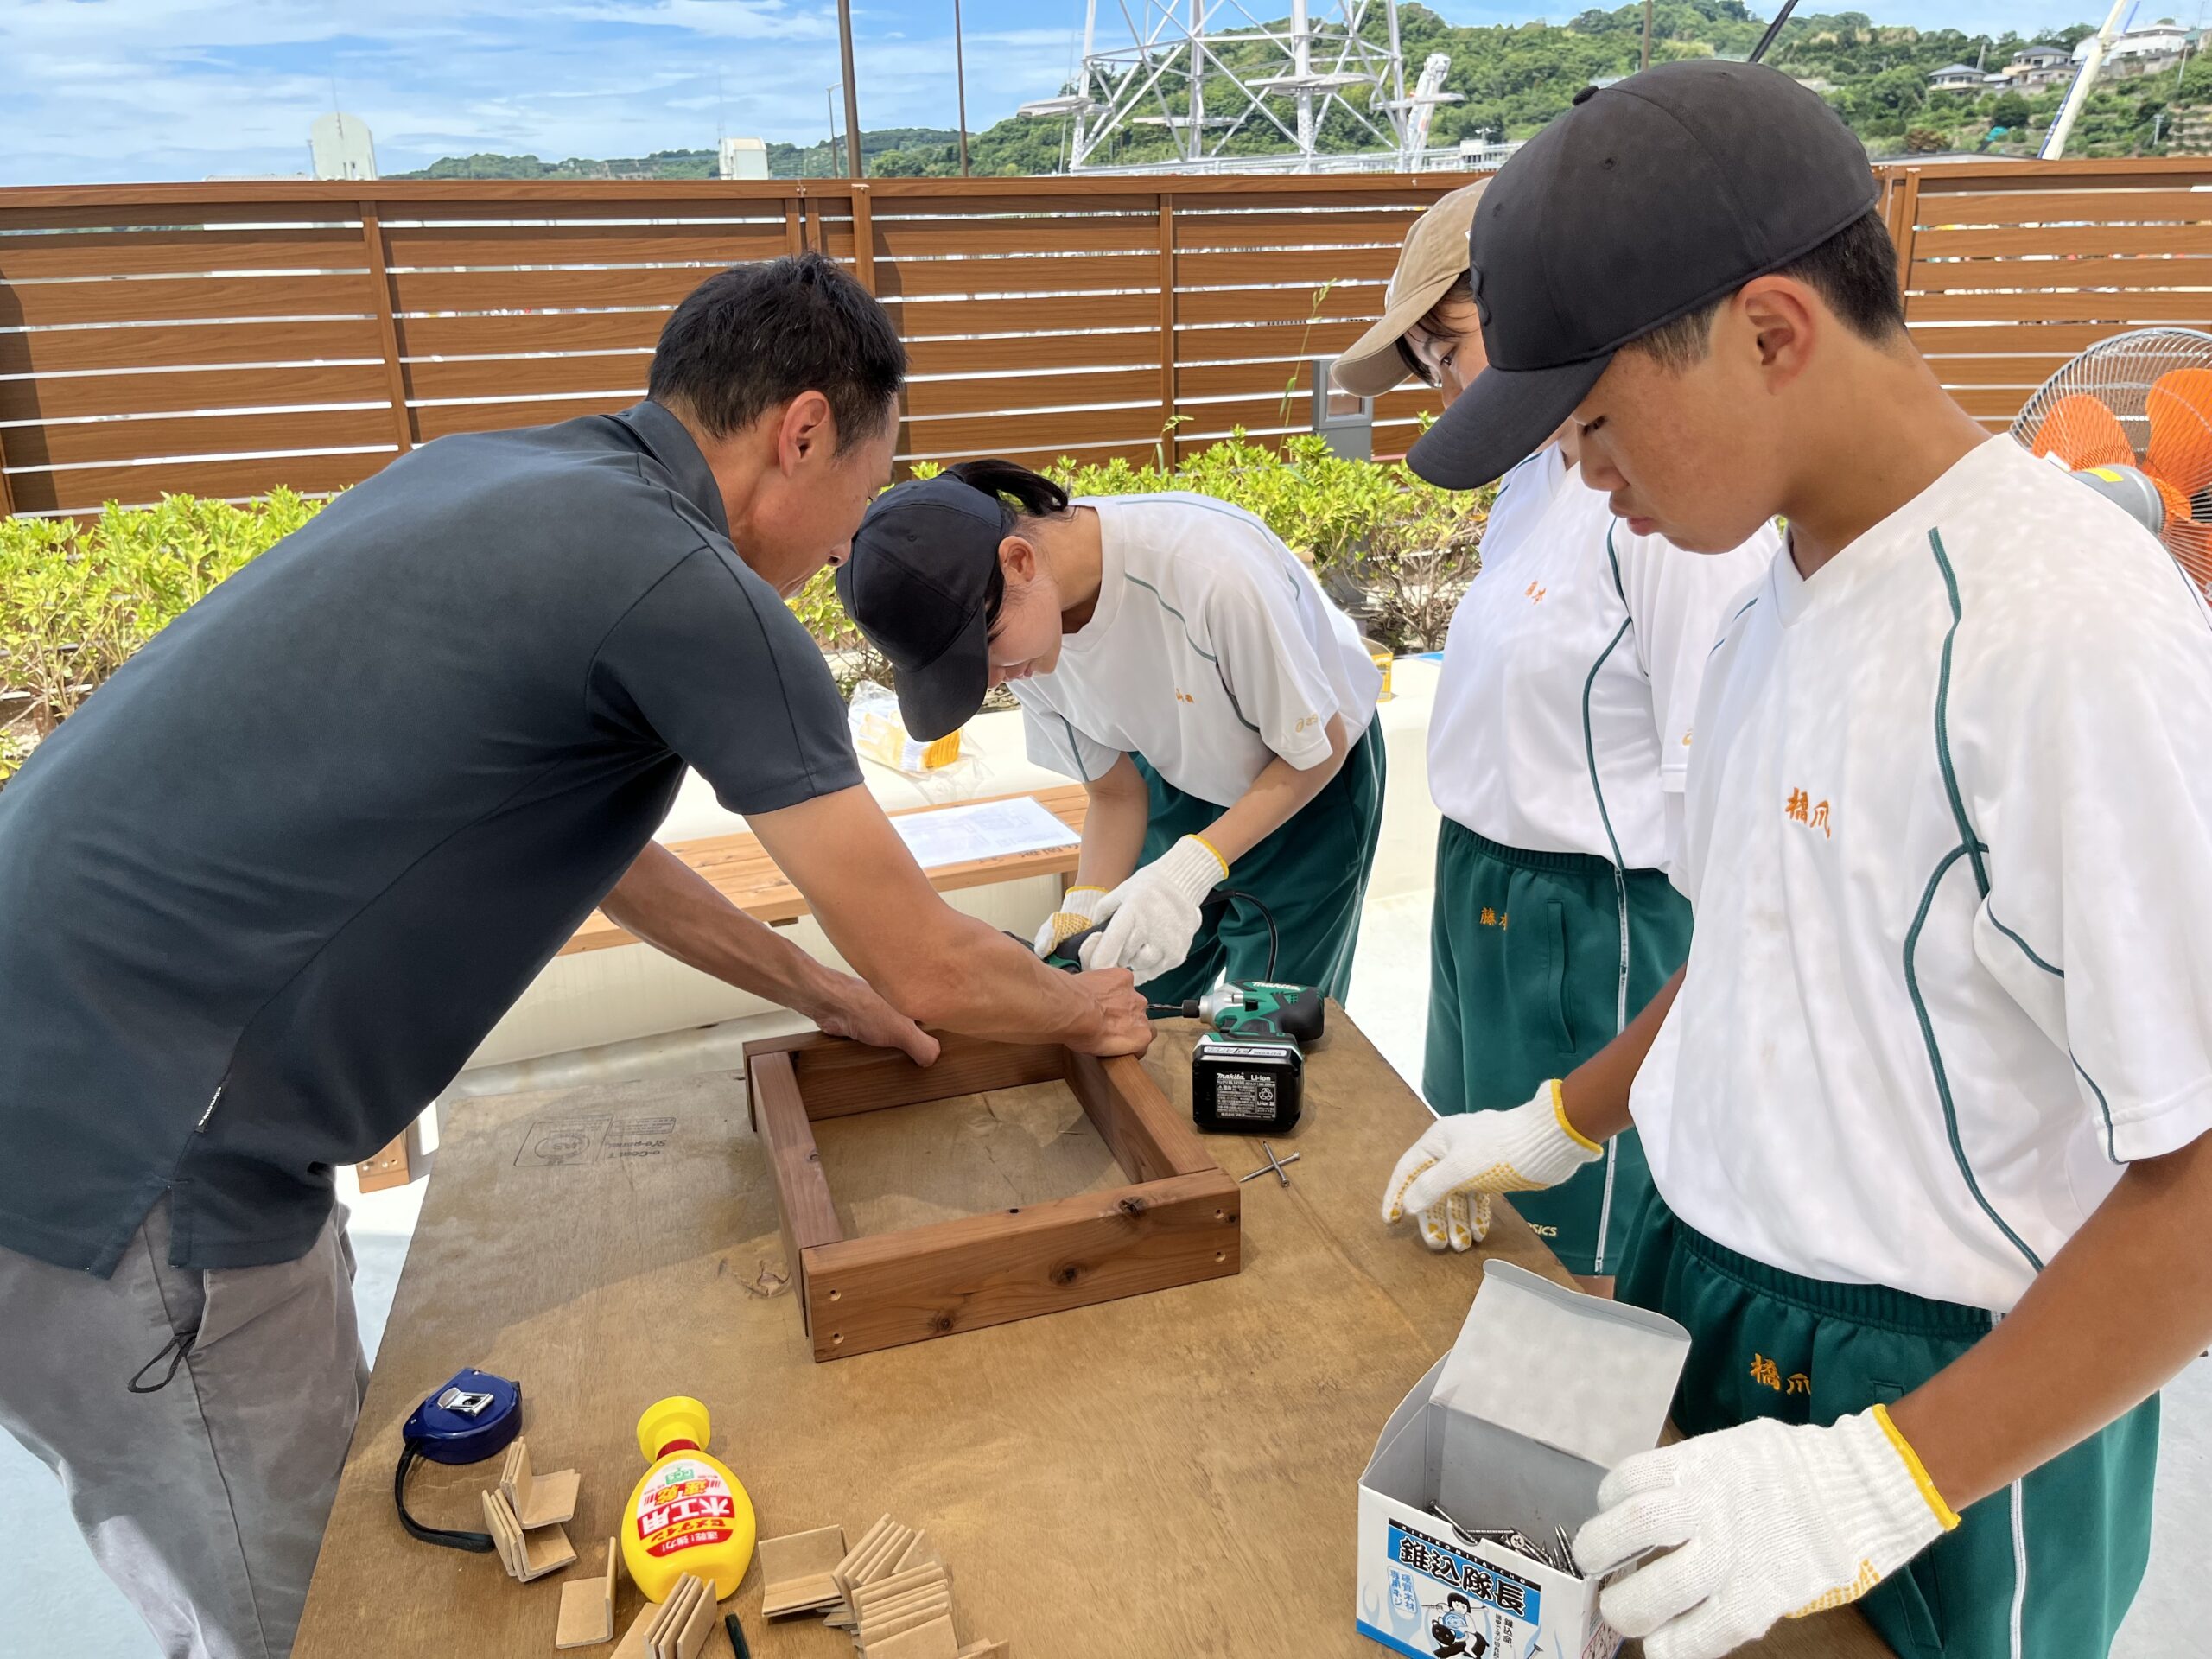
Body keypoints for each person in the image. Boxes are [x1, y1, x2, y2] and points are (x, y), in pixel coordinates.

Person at [0, 253, 1148, 1659]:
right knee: (316, 1624)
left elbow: (588, 839)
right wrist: (1087, 1011)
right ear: (801, 430)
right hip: (128, 1163)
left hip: (67, 1075)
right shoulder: (684, 579)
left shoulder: (492, 480)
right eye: (869, 480)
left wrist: (811, 987)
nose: (858, 540)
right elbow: (933, 963)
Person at [1382, 61, 2212, 1659]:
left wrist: (1888, 1479)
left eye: (1598, 421)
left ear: (1770, 332)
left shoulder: (2063, 635)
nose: (1585, 478)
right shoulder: (1781, 588)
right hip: (1709, 1290)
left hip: (1956, 1387)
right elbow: (1762, 938)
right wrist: (1564, 1120)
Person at [1339, 183, 1777, 1284]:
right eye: (1429, 370)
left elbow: (1706, 771)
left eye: (1450, 347)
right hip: (1481, 878)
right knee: (1477, 1198)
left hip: (1598, 912)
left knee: (1584, 1242)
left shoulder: (1662, 506)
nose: (1445, 387)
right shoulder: (1533, 476)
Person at [835, 459, 1386, 1007]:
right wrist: (1083, 901)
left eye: (983, 654)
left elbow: (1321, 748)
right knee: (1132, 991)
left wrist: (1189, 869)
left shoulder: (1210, 573)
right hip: (1171, 772)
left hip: (1306, 786)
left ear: (1019, 561)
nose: (994, 679)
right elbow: (1116, 792)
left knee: (1265, 1024)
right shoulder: (1021, 637)